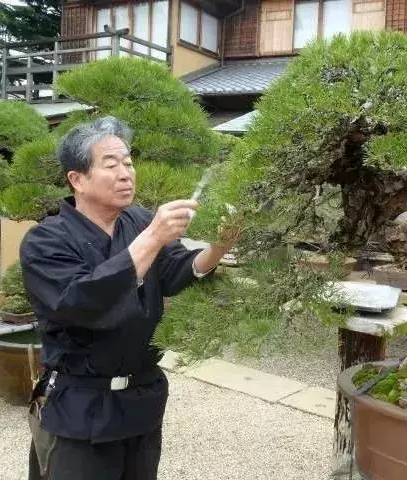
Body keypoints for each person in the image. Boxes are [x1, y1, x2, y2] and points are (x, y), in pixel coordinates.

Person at [20, 116, 241, 479]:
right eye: (111, 164)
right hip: (81, 406)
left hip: (142, 398)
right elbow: (80, 301)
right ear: (77, 179)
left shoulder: (137, 220)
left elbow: (173, 272)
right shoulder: (46, 240)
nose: (126, 173)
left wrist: (219, 245)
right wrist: (153, 238)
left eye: (128, 162)